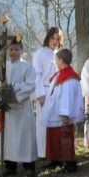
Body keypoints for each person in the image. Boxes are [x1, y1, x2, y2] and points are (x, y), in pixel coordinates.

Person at [0, 38, 37, 177]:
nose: (13, 52)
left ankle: (29, 167)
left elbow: (30, 85)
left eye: (16, 49)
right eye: (11, 49)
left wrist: (12, 89)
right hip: (8, 110)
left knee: (24, 137)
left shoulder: (27, 67)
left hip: (22, 107)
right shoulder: (2, 67)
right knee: (9, 138)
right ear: (7, 51)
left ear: (22, 51)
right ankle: (10, 166)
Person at [41, 48, 84, 173]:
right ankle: (55, 160)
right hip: (54, 113)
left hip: (62, 115)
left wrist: (65, 114)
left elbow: (67, 97)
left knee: (65, 139)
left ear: (61, 60)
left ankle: (70, 163)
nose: (56, 62)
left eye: (57, 59)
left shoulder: (69, 78)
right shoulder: (60, 75)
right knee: (53, 137)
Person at [32, 27, 63, 161]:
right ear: (48, 38)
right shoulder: (40, 53)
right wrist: (40, 95)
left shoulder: (59, 54)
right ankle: (43, 152)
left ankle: (55, 152)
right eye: (52, 38)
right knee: (43, 123)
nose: (55, 41)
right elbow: (36, 76)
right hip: (45, 92)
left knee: (56, 123)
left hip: (58, 92)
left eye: (57, 39)